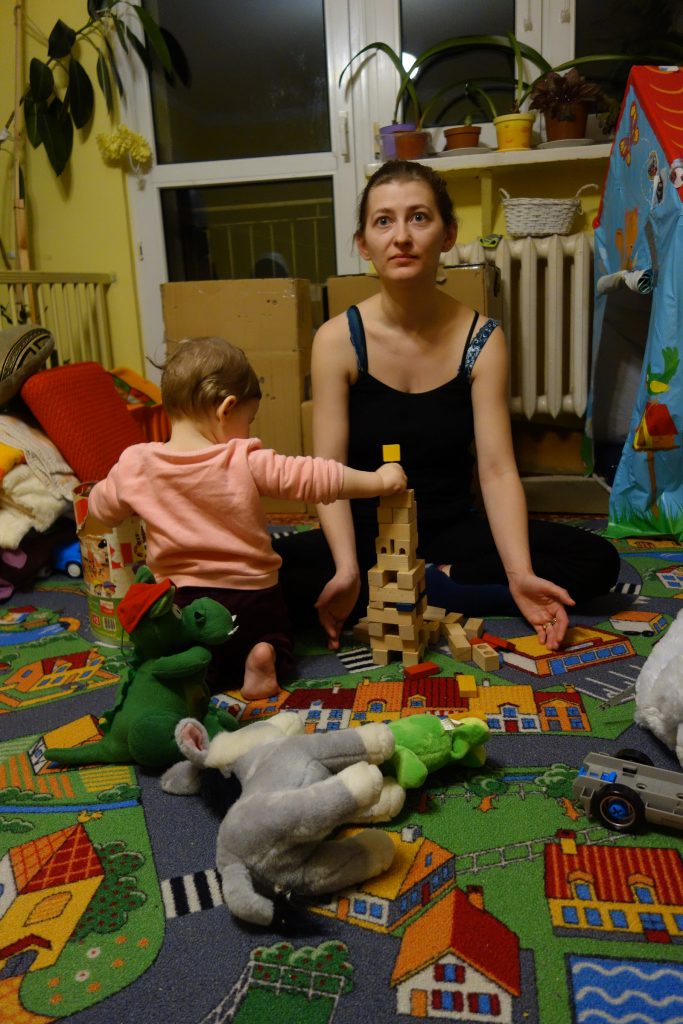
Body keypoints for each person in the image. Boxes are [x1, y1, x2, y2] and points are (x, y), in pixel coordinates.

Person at [274, 159, 621, 653]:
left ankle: (431, 586)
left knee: (597, 561)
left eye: (419, 217)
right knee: (260, 573)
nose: (401, 237)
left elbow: (497, 471)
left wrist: (520, 572)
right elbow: (328, 472)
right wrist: (347, 567)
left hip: (453, 530)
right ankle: (431, 588)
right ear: (363, 244)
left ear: (448, 234)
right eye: (383, 221)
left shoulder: (483, 338)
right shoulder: (336, 340)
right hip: (368, 534)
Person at [87, 336, 407, 700]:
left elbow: (100, 510)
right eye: (249, 420)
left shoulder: (137, 464)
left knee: (176, 647)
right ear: (226, 409)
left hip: (182, 603)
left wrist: (113, 500)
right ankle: (263, 657)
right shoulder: (242, 459)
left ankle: (194, 676)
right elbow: (317, 477)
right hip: (253, 601)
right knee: (274, 636)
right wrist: (379, 480)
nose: (249, 430)